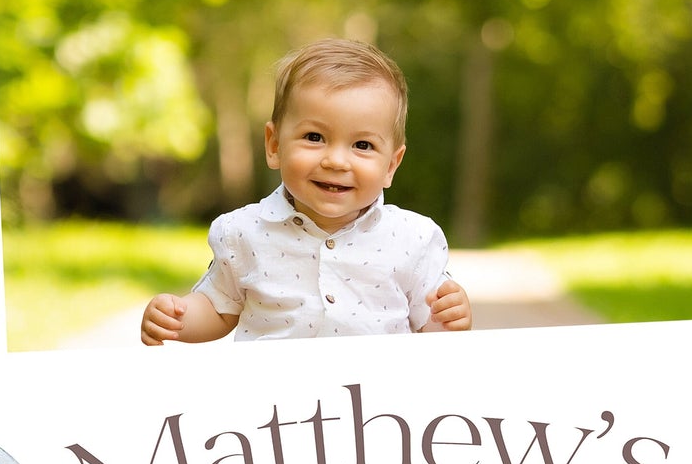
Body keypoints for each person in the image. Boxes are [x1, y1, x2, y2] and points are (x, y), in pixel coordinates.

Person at [141, 38, 472, 343]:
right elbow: (217, 308)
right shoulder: (244, 232)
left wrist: (447, 321)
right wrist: (178, 319)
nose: (336, 161)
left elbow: (430, 334)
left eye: (362, 144)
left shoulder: (411, 239)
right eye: (315, 137)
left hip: (371, 403)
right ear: (274, 145)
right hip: (276, 403)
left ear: (390, 165)